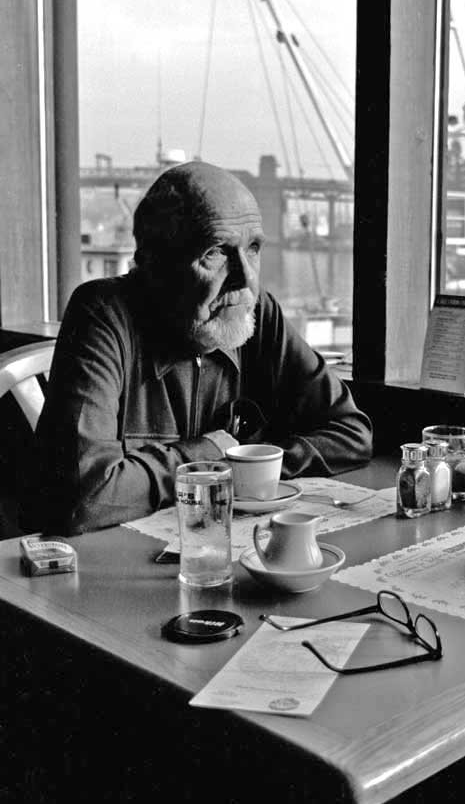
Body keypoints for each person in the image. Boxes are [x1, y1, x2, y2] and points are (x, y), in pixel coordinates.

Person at [23, 161, 372, 534]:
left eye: (253, 248)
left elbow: (351, 434)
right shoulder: (102, 313)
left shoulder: (258, 312)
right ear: (152, 263)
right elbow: (85, 496)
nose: (246, 280)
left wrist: (241, 467)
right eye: (216, 252)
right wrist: (205, 454)